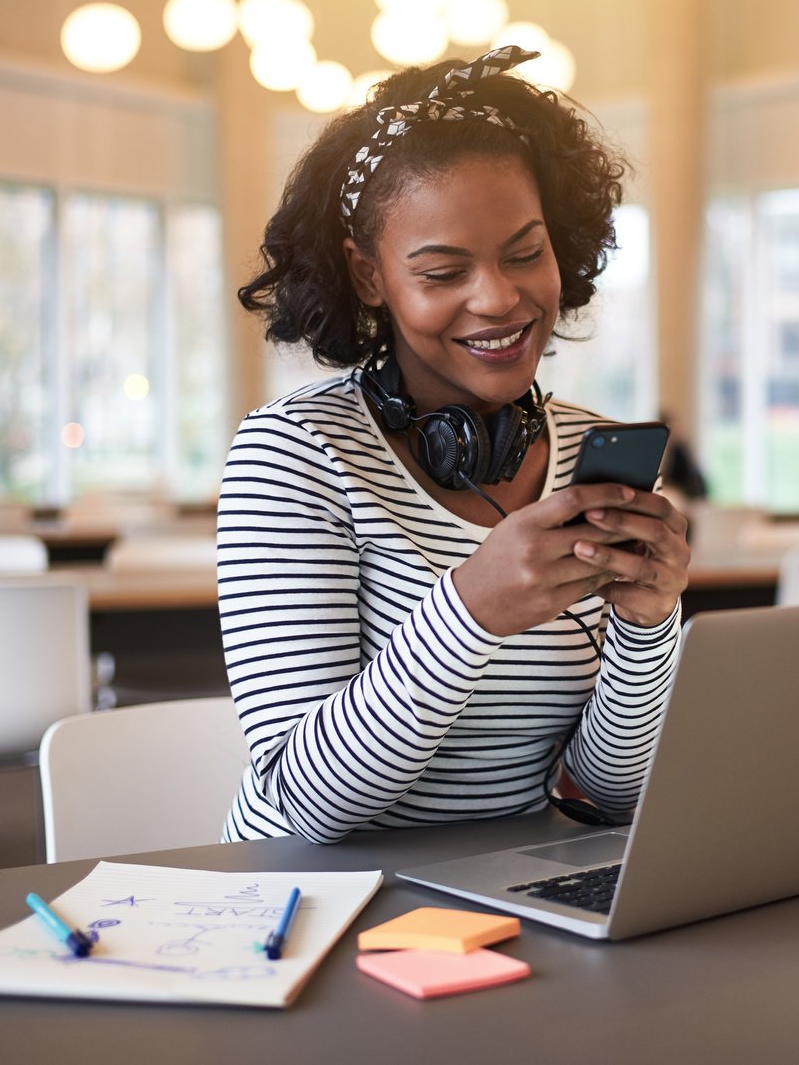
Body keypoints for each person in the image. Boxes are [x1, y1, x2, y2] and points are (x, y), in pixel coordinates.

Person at [220, 45, 688, 845]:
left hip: (511, 887)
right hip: (317, 902)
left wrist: (649, 628)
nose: (499, 298)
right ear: (370, 277)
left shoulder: (584, 449)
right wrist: (469, 611)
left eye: (524, 254)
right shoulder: (293, 452)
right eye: (442, 272)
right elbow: (310, 806)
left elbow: (612, 793)